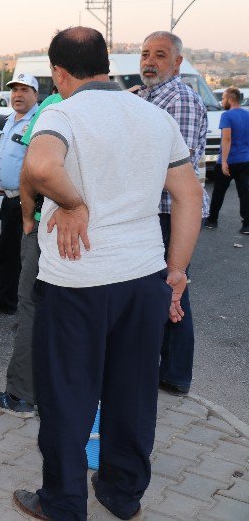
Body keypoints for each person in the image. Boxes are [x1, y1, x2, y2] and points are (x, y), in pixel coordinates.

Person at [12, 27, 203, 521]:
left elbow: (40, 162)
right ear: (105, 64)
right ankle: (122, 496)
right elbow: (190, 195)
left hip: (77, 281)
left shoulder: (61, 112)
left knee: (67, 397)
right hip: (144, 278)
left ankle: (63, 503)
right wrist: (177, 270)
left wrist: (73, 202)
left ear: (58, 72)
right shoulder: (153, 116)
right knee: (133, 393)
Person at [134, 31, 208, 396]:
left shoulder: (179, 100)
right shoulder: (146, 96)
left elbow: (178, 168)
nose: (149, 61)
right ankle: (163, 368)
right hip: (153, 211)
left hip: (171, 212)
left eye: (160, 55)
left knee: (173, 289)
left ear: (177, 62)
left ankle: (177, 374)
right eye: (145, 54)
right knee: (158, 292)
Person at [0, 87, 61, 417]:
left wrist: (27, 214)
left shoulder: (51, 106)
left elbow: (34, 168)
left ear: (59, 73)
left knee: (31, 303)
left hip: (46, 223)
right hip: (89, 230)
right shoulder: (120, 106)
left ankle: (21, 395)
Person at [0, 74, 39, 315]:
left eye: (25, 90)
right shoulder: (10, 120)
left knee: (24, 255)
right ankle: (7, 299)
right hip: (9, 198)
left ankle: (20, 303)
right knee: (8, 252)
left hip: (27, 199)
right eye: (15, 90)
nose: (18, 95)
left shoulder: (38, 121)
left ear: (36, 95)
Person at [205, 87, 249, 234]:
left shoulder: (226, 115)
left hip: (229, 161)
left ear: (230, 99)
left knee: (218, 192)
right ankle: (247, 225)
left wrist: (224, 161)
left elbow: (227, 138)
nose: (222, 101)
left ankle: (212, 220)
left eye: (223, 98)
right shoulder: (247, 115)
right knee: (244, 193)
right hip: (245, 160)